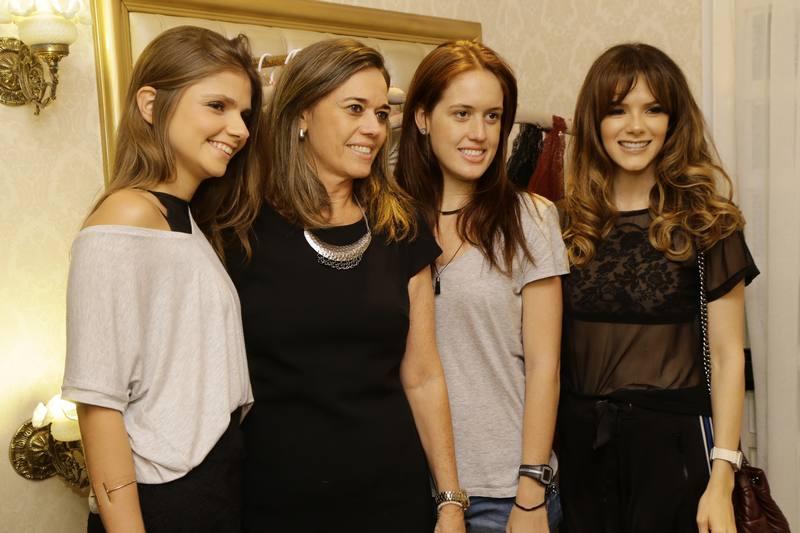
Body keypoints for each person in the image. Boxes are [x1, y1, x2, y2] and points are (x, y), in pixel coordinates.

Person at [225, 37, 466, 533]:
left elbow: (423, 374)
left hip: (391, 497)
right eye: (355, 108)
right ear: (302, 114)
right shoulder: (241, 229)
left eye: (381, 113)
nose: (373, 128)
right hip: (277, 498)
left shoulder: (401, 227)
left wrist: (449, 501)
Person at [61, 26, 264, 533]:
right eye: (217, 106)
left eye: (244, 113)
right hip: (164, 499)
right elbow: (99, 404)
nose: (239, 129)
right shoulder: (127, 215)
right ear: (151, 104)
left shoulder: (186, 220)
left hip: (214, 485)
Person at [558, 43, 759, 533]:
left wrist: (722, 478)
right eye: (617, 110)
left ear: (673, 121)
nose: (635, 126)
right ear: (594, 121)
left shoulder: (708, 224)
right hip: (580, 451)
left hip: (677, 453)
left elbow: (728, 357)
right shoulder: (561, 225)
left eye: (653, 109)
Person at [395, 40, 568, 533]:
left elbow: (545, 367)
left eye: (493, 117)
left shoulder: (530, 218)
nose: (479, 133)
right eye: (462, 114)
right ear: (423, 118)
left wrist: (530, 493)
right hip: (406, 484)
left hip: (504, 493)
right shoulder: (390, 219)